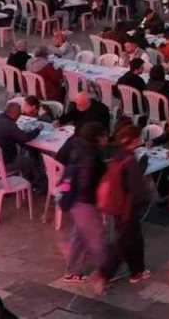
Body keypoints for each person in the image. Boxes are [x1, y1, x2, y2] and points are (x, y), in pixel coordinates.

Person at [98, 124, 155, 289]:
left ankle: (137, 271)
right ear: (136, 140)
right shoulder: (129, 160)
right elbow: (136, 185)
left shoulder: (119, 155)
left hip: (117, 206)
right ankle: (104, 274)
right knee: (124, 243)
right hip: (126, 208)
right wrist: (145, 200)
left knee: (134, 239)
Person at [61, 122, 108, 284]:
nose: (107, 138)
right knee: (97, 238)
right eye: (104, 135)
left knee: (79, 236)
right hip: (85, 202)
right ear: (97, 137)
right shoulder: (92, 156)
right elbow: (87, 182)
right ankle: (104, 273)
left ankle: (71, 271)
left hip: (75, 199)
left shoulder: (77, 146)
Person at [0, 103, 44, 193]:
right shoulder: (9, 125)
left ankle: (24, 180)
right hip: (4, 162)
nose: (19, 116)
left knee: (23, 152)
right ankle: (31, 185)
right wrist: (38, 129)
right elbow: (25, 138)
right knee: (29, 162)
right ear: (14, 113)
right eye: (19, 114)